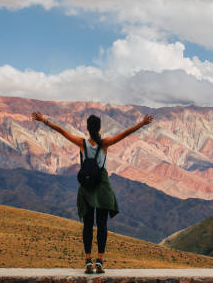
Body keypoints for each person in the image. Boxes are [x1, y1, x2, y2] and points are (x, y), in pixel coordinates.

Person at [31, 110, 153, 273]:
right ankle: (100, 261)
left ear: (87, 128)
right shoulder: (105, 144)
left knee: (87, 225)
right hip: (102, 186)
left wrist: (44, 120)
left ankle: (88, 260)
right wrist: (141, 124)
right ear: (100, 127)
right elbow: (125, 133)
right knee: (102, 225)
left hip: (87, 188)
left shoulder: (81, 143)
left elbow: (62, 131)